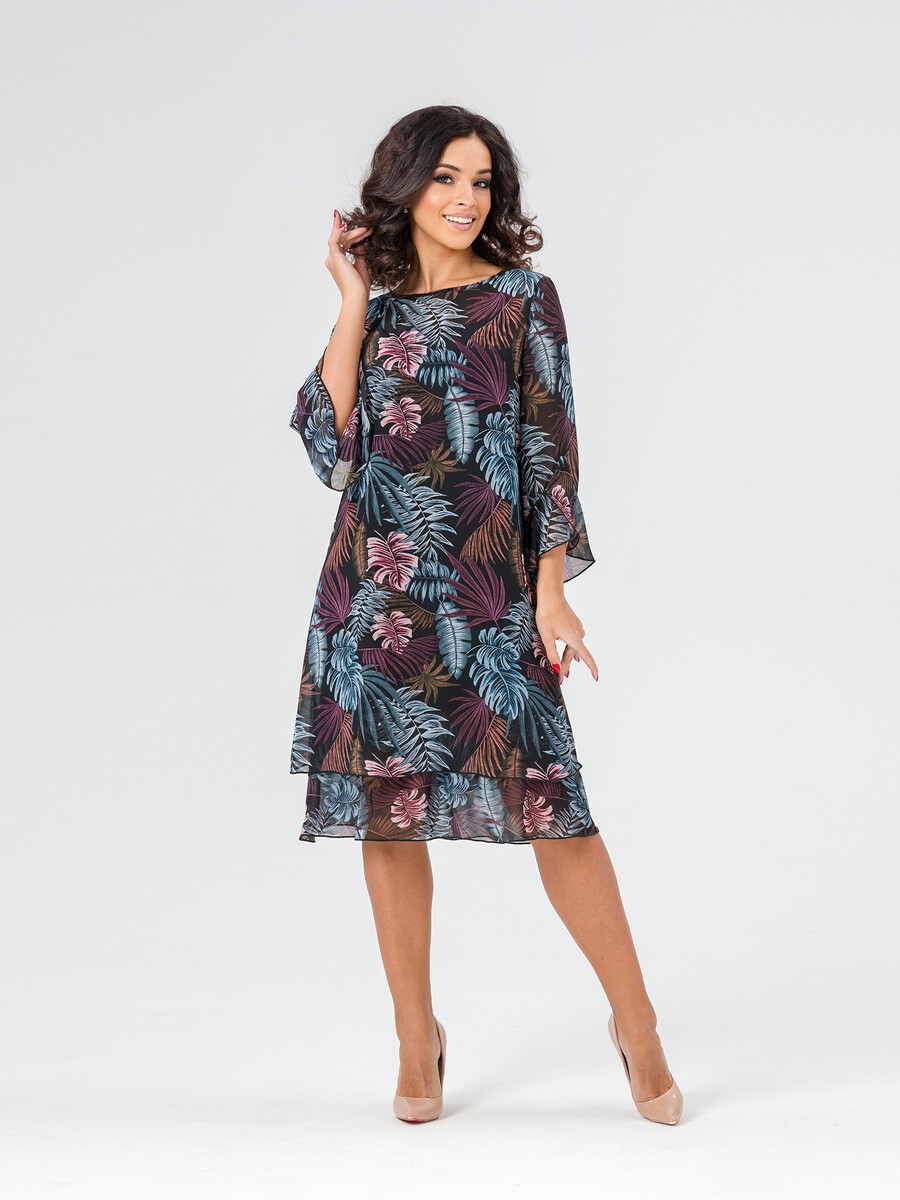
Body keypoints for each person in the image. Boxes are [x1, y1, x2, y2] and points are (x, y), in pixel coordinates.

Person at [288, 105, 683, 1126]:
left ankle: (636, 1021)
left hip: (491, 595)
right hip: (374, 601)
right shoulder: (376, 313)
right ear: (406, 186)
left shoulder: (522, 298)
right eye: (447, 178)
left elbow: (549, 446)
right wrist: (350, 299)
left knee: (556, 809)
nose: (467, 199)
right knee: (388, 814)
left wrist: (552, 592)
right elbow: (331, 448)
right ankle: (414, 1036)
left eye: (482, 181)